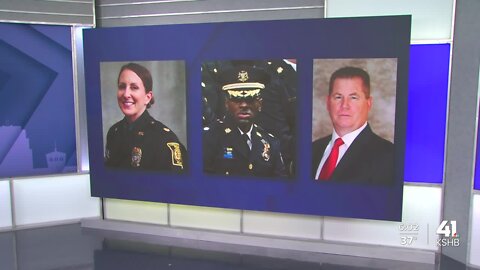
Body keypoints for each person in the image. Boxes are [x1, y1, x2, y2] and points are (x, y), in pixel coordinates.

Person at [312, 66, 394, 184]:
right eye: (338, 97)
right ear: (328, 103)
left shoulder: (388, 156)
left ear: (368, 103)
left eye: (353, 97)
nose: (345, 105)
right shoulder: (313, 150)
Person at [203, 65, 287, 177]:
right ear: (226, 104)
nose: (243, 105)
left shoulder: (271, 143)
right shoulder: (209, 140)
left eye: (250, 99)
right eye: (237, 99)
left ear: (260, 104)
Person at [104, 63, 187, 172]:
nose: (126, 94)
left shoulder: (164, 139)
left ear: (148, 97)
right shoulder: (114, 132)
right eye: (122, 87)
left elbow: (175, 186)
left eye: (134, 88)